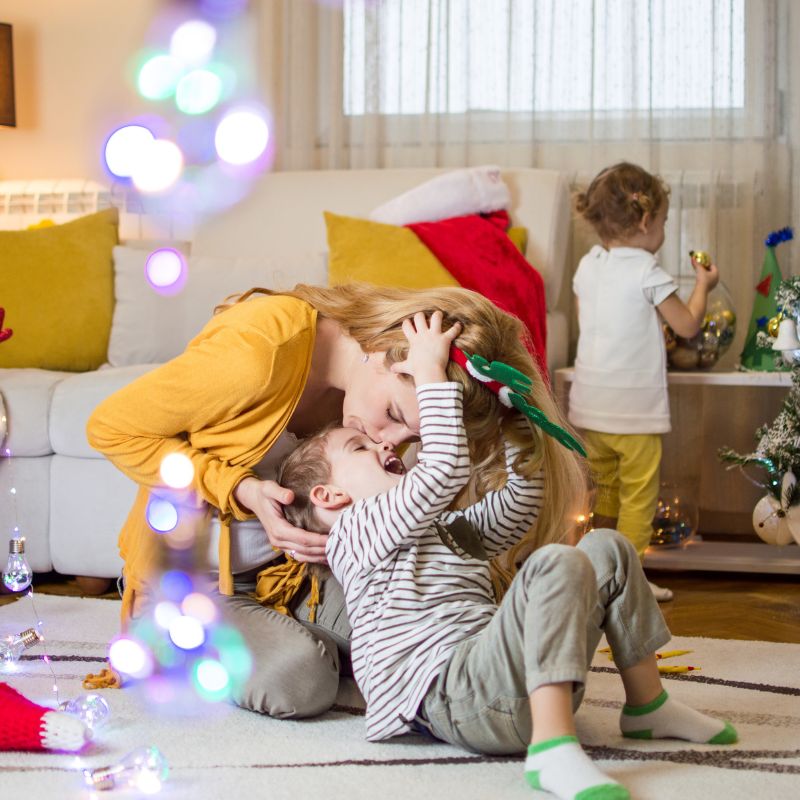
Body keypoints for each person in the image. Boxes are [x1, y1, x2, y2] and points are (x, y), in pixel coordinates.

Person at [277, 311, 737, 800]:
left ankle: (647, 705)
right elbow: (442, 471)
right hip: (451, 694)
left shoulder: (437, 529)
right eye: (359, 447)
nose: (384, 443)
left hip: (504, 679)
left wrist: (515, 428)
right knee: (553, 563)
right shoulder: (355, 534)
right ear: (330, 496)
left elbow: (518, 508)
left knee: (608, 548)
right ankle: (552, 750)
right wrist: (429, 371)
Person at [86, 283, 584, 716]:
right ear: (383, 350)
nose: (389, 441)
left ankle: (317, 644)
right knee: (300, 677)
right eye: (395, 414)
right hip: (198, 582)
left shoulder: (366, 401)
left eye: (411, 435)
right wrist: (240, 489)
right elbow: (110, 427)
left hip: (294, 577)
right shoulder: (259, 354)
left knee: (440, 622)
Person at [570, 162, 720, 602]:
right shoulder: (646, 270)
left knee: (605, 492)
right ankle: (628, 579)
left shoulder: (588, 265)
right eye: (666, 221)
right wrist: (704, 285)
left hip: (590, 406)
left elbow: (591, 324)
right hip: (633, 413)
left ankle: (597, 569)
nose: (665, 230)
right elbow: (688, 325)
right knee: (638, 497)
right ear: (645, 219)